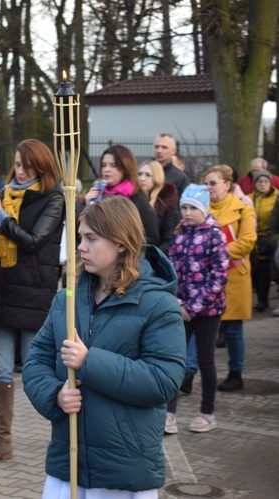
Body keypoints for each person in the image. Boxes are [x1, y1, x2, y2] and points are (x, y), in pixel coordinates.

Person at [24, 195, 186, 497]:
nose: (80, 247)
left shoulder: (158, 305)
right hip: (68, 464)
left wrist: (89, 361)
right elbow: (36, 361)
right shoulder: (67, 299)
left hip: (122, 470)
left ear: (121, 242)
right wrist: (54, 394)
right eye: (80, 237)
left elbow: (164, 381)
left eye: (91, 238)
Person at [0, 139, 64, 466]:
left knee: (35, 371)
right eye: (17, 162)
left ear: (41, 166)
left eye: (28, 164)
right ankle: (3, 443)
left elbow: (32, 241)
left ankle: (66, 436)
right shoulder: (6, 195)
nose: (21, 169)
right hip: (2, 293)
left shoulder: (53, 198)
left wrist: (0, 213)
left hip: (33, 295)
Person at [165, 184, 230, 434]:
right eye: (184, 207)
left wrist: (194, 306)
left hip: (208, 311)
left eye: (193, 208)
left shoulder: (215, 235)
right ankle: (169, 413)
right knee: (176, 359)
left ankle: (207, 412)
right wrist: (178, 303)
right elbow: (171, 271)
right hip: (182, 309)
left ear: (204, 208)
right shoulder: (180, 234)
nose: (188, 212)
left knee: (206, 360)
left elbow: (219, 277)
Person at [204, 165, 257, 392]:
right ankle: (190, 373)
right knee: (202, 330)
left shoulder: (244, 209)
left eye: (213, 183)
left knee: (233, 330)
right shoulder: (200, 210)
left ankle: (236, 373)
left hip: (234, 278)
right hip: (206, 281)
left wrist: (214, 251)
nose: (209, 188)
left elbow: (247, 242)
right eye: (206, 183)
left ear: (227, 184)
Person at [84, 144, 160, 245]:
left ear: (125, 168)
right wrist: (86, 207)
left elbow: (152, 237)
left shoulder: (136, 197)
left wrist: (122, 243)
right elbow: (78, 230)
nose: (106, 169)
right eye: (103, 165)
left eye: (113, 165)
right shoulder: (95, 193)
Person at [248, 170, 278, 312]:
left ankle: (264, 300)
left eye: (266, 181)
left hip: (270, 239)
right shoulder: (249, 198)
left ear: (270, 183)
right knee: (257, 271)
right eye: (260, 181)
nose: (263, 184)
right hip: (254, 240)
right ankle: (261, 300)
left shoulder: (276, 197)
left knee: (268, 271)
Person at [138, 159, 180, 254]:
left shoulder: (166, 203)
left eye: (147, 175)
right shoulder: (134, 199)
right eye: (139, 174)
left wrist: (154, 257)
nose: (142, 178)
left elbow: (169, 238)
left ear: (157, 178)